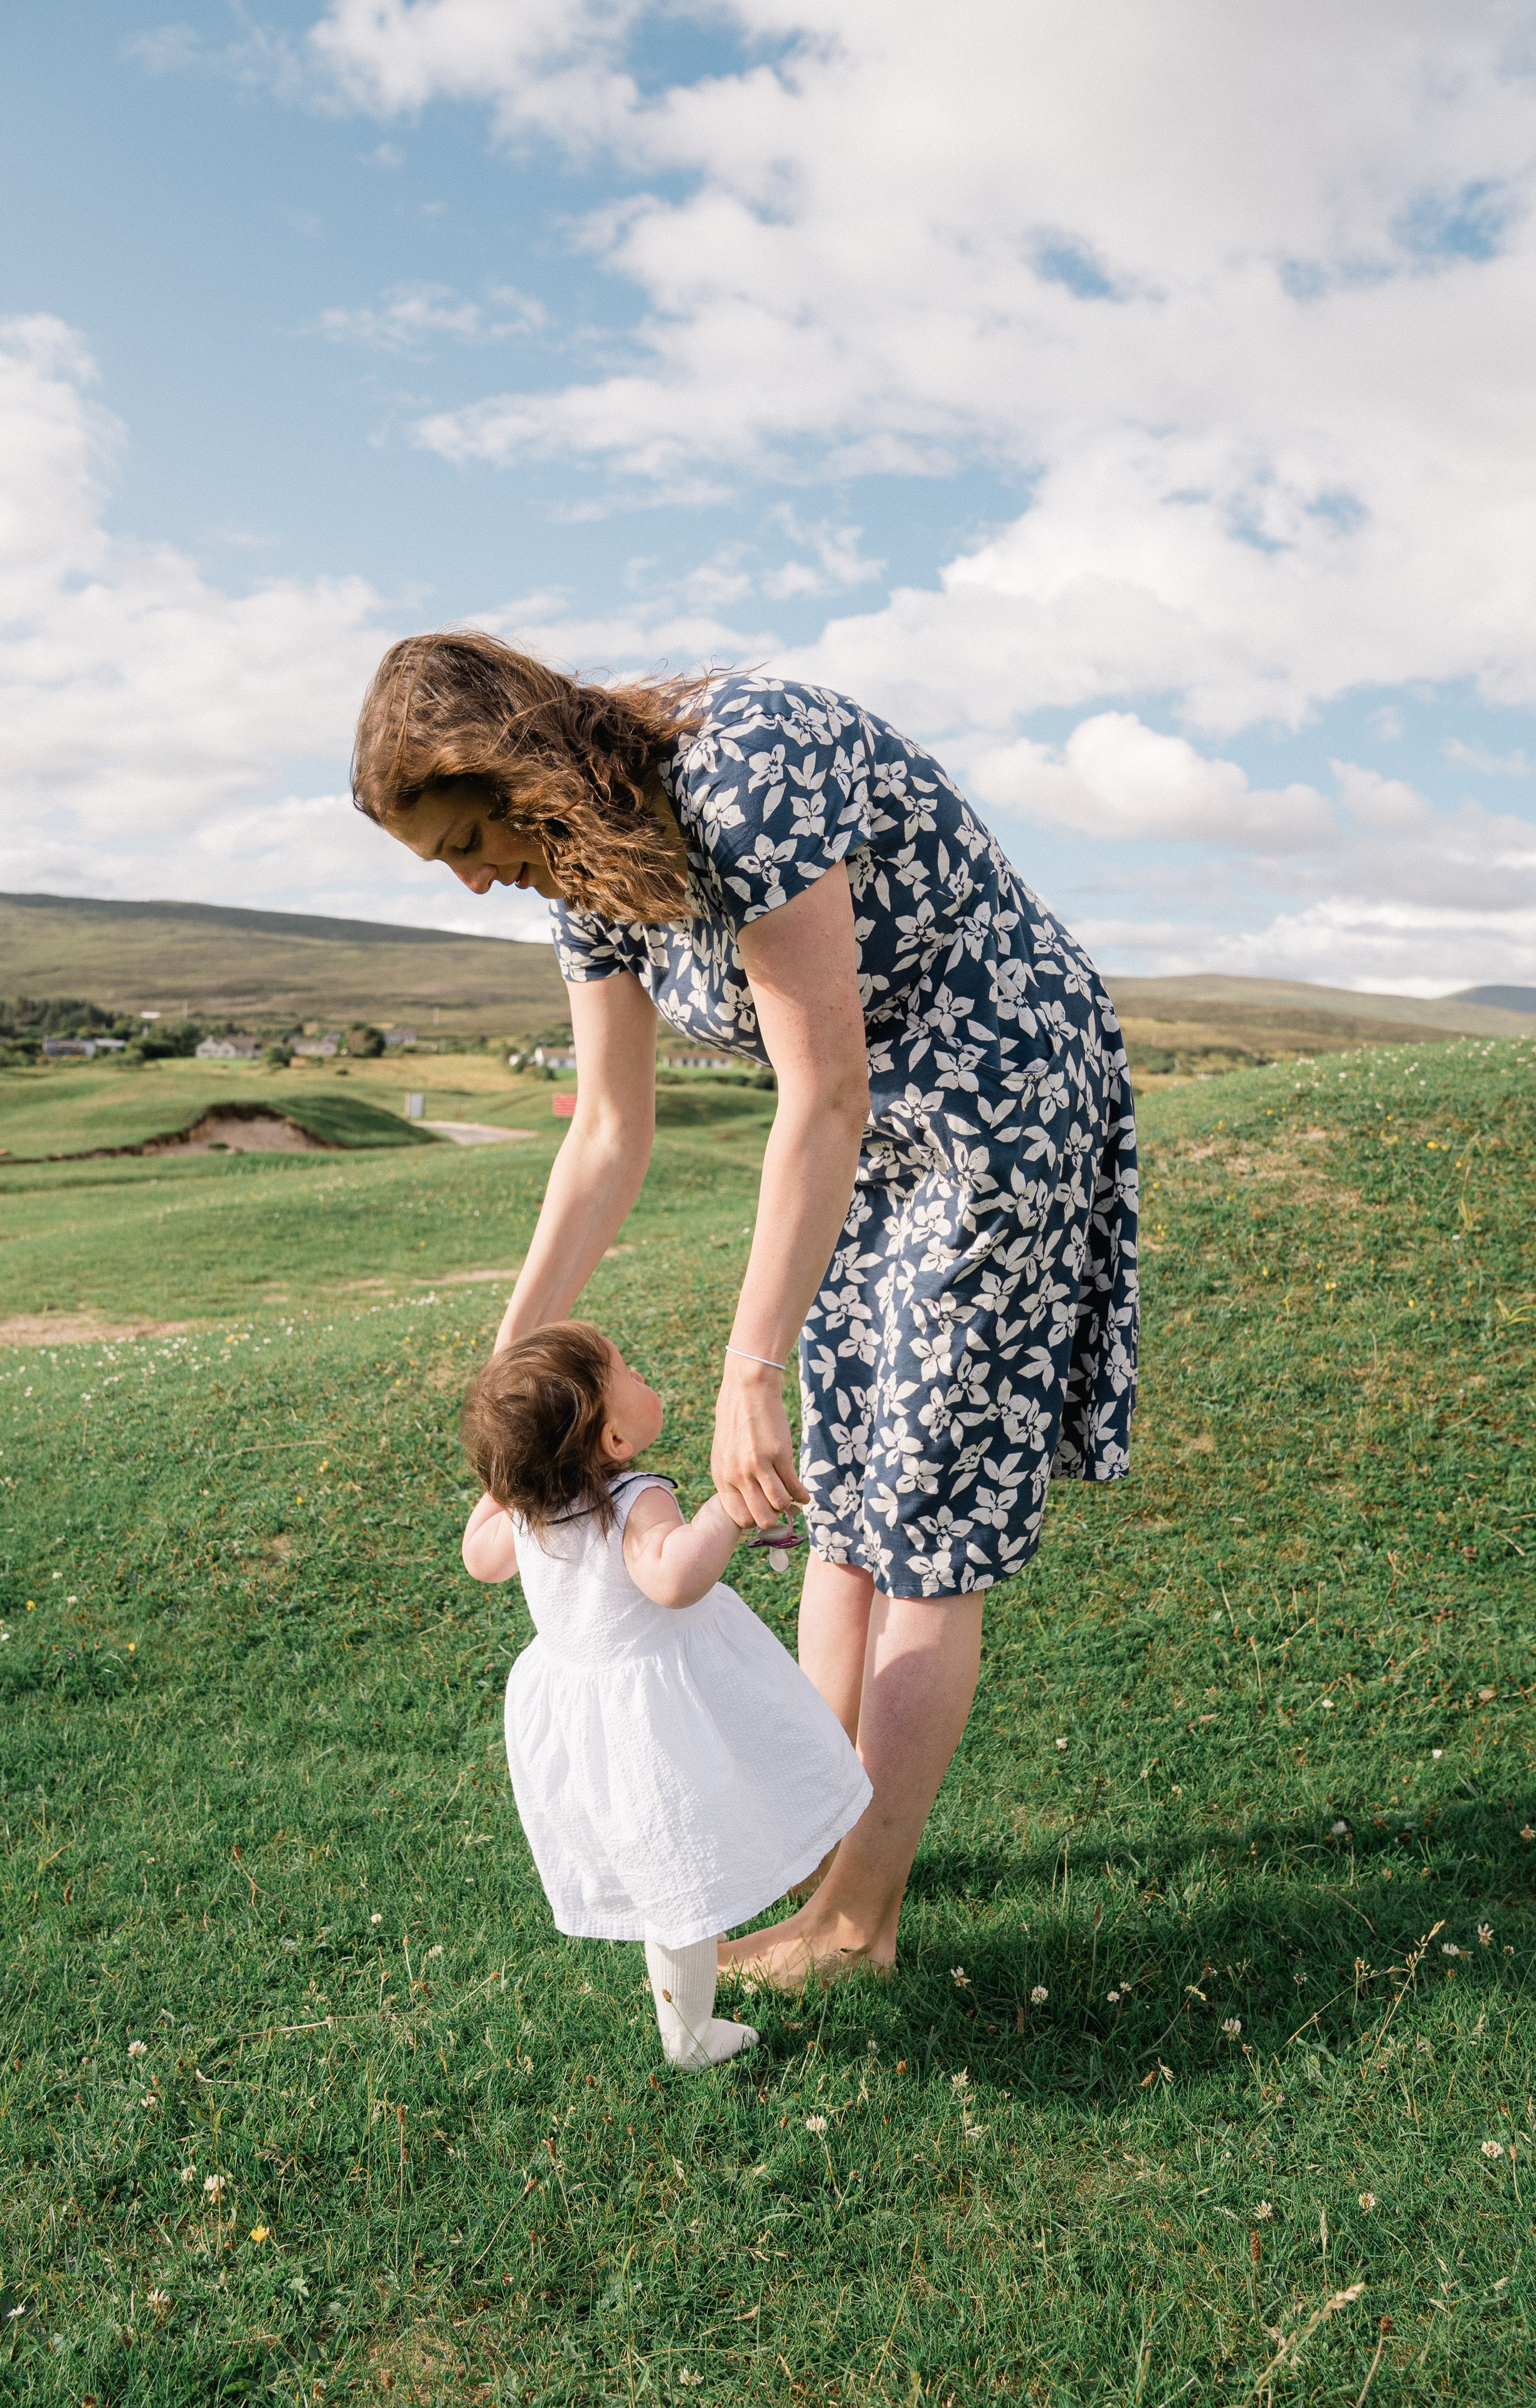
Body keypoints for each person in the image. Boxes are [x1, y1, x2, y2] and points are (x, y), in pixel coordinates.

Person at [353, 633, 1138, 1987]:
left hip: (995, 1105)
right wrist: (503, 1388)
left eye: (470, 839)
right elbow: (607, 1132)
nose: (474, 877)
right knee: (840, 1508)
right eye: (446, 864)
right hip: (856, 1136)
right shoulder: (583, 864)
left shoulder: (745, 774)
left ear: (520, 767)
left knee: (921, 1526)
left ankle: (855, 1923)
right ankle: (811, 1831)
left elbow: (823, 1088)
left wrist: (750, 1363)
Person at [459, 1319, 872, 2066]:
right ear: (613, 1440)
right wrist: (726, 1510)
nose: (644, 1376)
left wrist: (507, 1481)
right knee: (683, 1865)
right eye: (630, 1373)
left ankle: (699, 1993)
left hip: (587, 1720)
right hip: (660, 1716)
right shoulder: (633, 1496)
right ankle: (691, 2035)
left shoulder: (527, 1512)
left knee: (664, 1861)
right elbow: (673, 1578)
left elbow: (480, 1559)